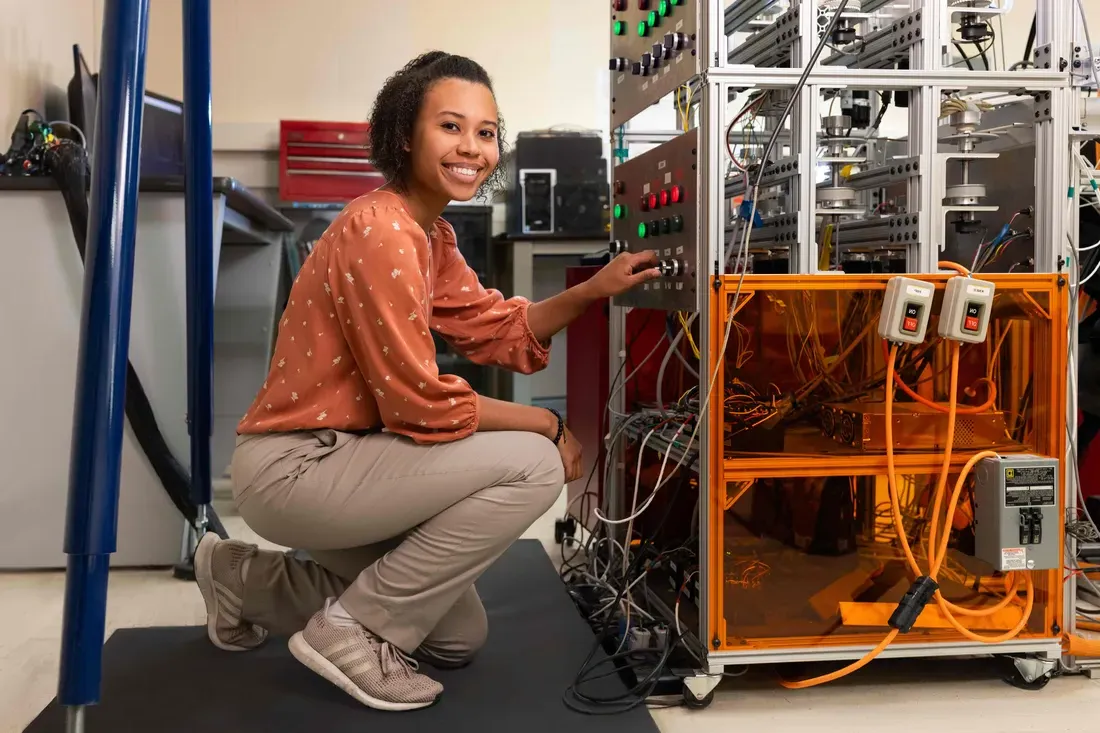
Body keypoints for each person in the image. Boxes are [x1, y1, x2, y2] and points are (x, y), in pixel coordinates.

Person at [192, 51, 659, 712]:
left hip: (341, 464)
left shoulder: (425, 233)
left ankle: (239, 578)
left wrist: (595, 291)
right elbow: (419, 404)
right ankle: (351, 632)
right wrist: (548, 423)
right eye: (451, 126)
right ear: (404, 134)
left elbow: (494, 324)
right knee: (532, 462)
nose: (472, 146)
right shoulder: (382, 232)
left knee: (455, 637)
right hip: (299, 467)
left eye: (487, 131)